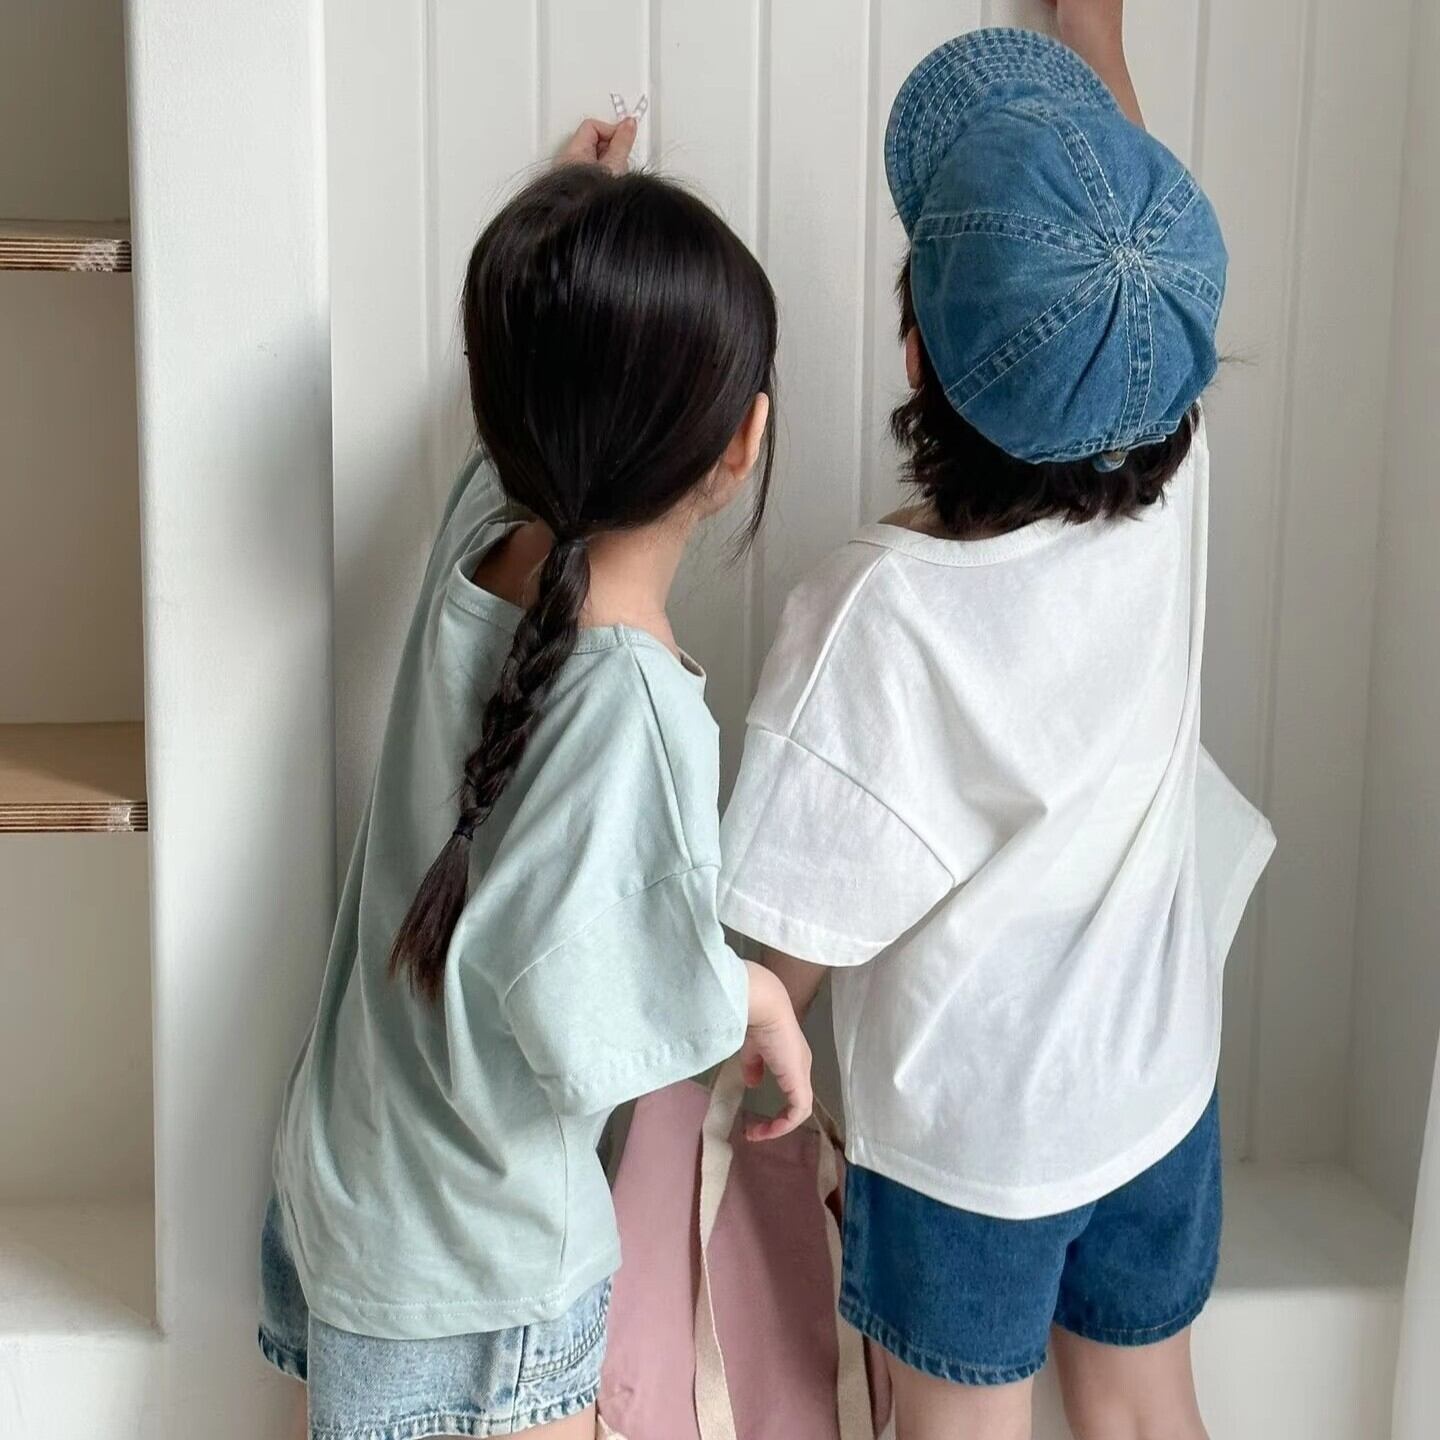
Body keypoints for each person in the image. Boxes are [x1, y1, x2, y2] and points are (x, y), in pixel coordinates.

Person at [717, 9, 1274, 1440]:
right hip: (1155, 1090)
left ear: (917, 356)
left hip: (967, 1154)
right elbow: (1129, 234)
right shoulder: (1170, 485)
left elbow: (775, 958)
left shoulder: (878, 617)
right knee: (1147, 1415)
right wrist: (1093, 29)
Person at [258, 119, 813, 1440]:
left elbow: (528, 405)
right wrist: (756, 996)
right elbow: (587, 1002)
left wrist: (573, 228)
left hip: (357, 1192)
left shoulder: (485, 540)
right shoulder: (636, 709)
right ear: (743, 444)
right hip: (479, 1275)